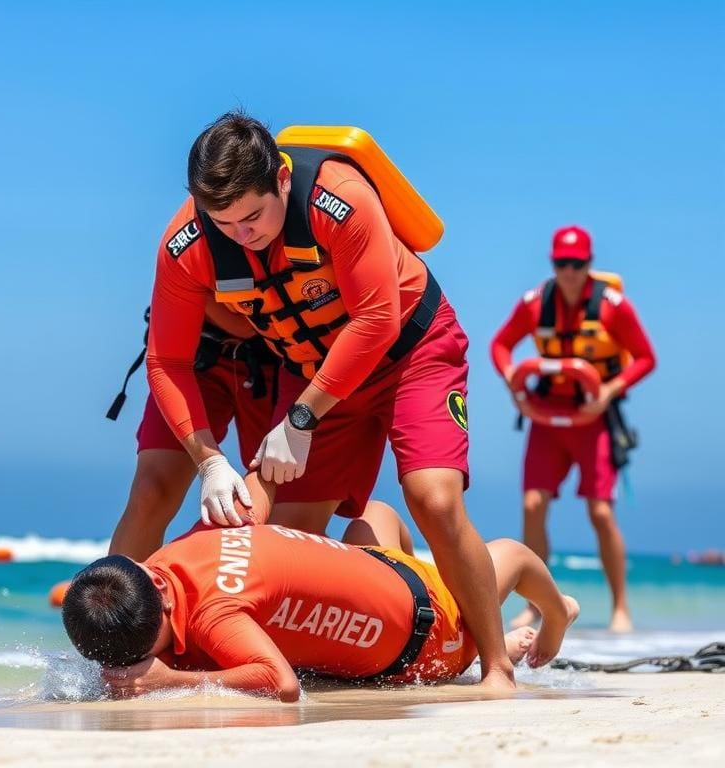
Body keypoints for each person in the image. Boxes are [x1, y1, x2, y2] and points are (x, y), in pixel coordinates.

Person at [145, 111, 514, 689]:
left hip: (411, 352)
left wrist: (300, 417)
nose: (241, 234)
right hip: (312, 371)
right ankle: (315, 656)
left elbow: (376, 318)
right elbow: (166, 360)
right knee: (287, 531)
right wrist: (210, 461)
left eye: (253, 216)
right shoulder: (185, 243)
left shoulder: (338, 197)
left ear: (282, 182)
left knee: (434, 499)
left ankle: (497, 665)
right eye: (224, 221)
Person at [62, 498, 579, 702]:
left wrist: (172, 679)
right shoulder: (170, 556)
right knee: (372, 513)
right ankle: (492, 629)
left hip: (425, 640)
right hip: (381, 567)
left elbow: (281, 683)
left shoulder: (215, 614)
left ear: (160, 593)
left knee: (504, 557)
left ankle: (551, 614)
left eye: (149, 649)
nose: (147, 662)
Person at [490, 225, 656, 632]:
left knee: (600, 512)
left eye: (577, 264)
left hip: (593, 418)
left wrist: (609, 391)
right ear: (552, 264)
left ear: (589, 265)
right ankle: (534, 603)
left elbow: (645, 357)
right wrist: (514, 384)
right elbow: (500, 344)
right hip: (546, 416)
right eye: (562, 263)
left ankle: (620, 607)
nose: (569, 271)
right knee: (532, 505)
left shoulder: (614, 307)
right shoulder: (534, 304)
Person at [109, 299, 278, 559]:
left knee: (278, 507)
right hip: (199, 353)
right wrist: (210, 463)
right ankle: (112, 598)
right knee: (150, 492)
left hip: (285, 363)